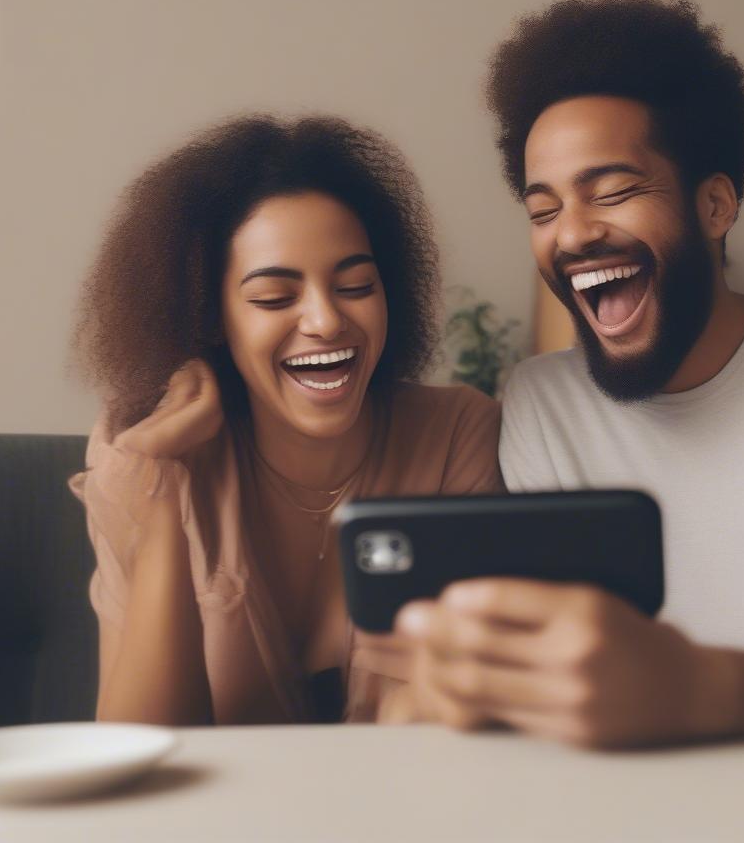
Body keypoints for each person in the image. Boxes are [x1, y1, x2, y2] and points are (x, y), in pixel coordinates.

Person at [386, 0, 744, 747]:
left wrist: (699, 686)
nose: (572, 233)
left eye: (612, 192)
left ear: (715, 205)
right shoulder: (542, 404)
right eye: (543, 211)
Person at [70, 115, 501, 726]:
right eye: (275, 298)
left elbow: (460, 718)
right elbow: (135, 749)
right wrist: (163, 501)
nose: (325, 321)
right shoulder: (137, 458)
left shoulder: (457, 436)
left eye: (356, 285)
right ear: (210, 317)